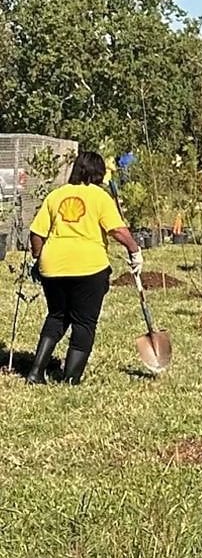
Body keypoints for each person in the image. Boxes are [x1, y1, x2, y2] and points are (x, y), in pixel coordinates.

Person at [25, 151, 143, 385]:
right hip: (89, 267)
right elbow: (117, 230)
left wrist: (38, 259)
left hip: (53, 266)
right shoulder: (100, 197)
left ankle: (35, 372)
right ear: (98, 173)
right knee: (84, 322)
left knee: (57, 316)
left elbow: (36, 233)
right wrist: (134, 250)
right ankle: (70, 379)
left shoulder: (56, 195)